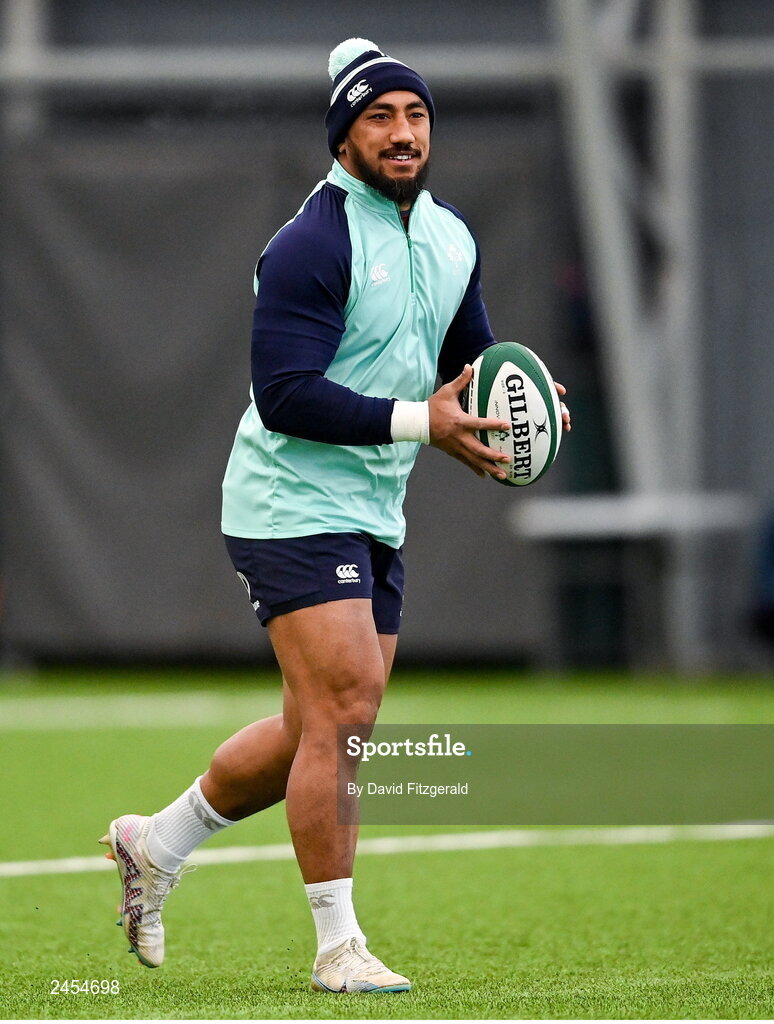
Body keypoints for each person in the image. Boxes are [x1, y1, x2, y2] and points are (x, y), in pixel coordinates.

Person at [100, 37, 571, 994]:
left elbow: (466, 363)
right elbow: (284, 395)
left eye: (416, 116)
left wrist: (517, 400)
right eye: (379, 118)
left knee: (316, 724)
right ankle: (337, 948)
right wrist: (423, 424)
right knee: (347, 705)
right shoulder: (310, 242)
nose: (403, 134)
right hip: (287, 497)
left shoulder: (450, 237)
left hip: (372, 501)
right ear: (344, 138)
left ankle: (156, 842)